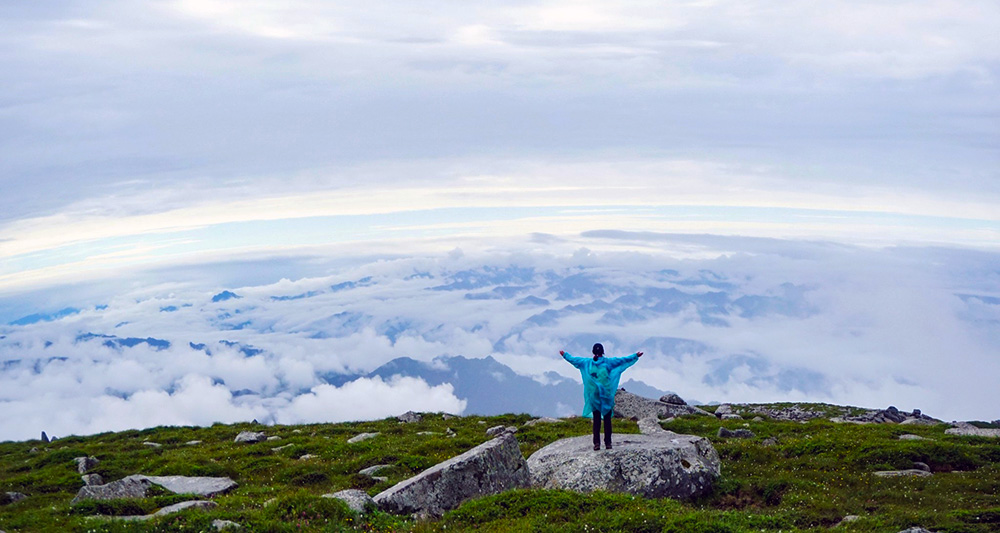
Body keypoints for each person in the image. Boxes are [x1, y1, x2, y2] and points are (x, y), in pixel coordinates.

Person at [560, 343, 643, 450]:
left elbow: (574, 360)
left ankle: (597, 444)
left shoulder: (587, 363)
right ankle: (607, 443)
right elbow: (622, 360)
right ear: (602, 352)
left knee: (597, 420)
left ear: (593, 352)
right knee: (607, 420)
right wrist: (635, 356)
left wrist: (564, 355)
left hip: (594, 397)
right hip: (606, 396)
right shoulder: (608, 362)